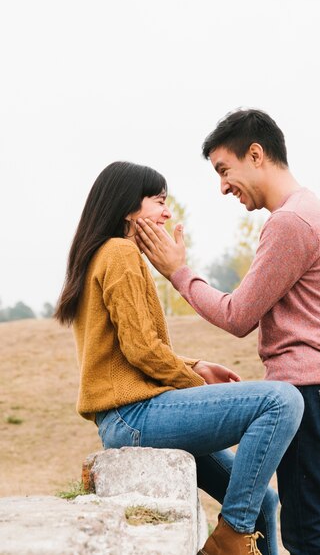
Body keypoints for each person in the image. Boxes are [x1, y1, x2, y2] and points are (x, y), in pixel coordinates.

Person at [136, 109, 320, 555]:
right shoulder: (306, 212)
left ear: (256, 154)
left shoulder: (291, 222)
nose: (222, 185)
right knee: (310, 527)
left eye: (224, 169)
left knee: (312, 533)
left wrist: (177, 273)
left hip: (315, 388)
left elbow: (238, 315)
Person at [54, 160, 304, 555]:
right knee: (282, 399)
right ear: (127, 207)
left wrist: (194, 366)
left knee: (265, 504)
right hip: (134, 416)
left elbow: (133, 346)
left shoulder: (104, 254)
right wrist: (197, 383)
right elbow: (141, 350)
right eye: (159, 201)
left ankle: (236, 533)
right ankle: (229, 539)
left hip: (131, 416)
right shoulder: (119, 253)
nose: (168, 212)